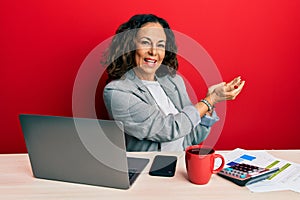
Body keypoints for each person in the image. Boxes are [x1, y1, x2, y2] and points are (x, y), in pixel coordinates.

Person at [102, 14, 245, 151]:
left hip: (180, 167)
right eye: (146, 42)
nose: (153, 51)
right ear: (129, 47)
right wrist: (209, 100)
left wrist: (211, 103)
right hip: (147, 172)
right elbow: (167, 129)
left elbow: (194, 136)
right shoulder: (116, 92)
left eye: (160, 45)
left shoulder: (174, 82)